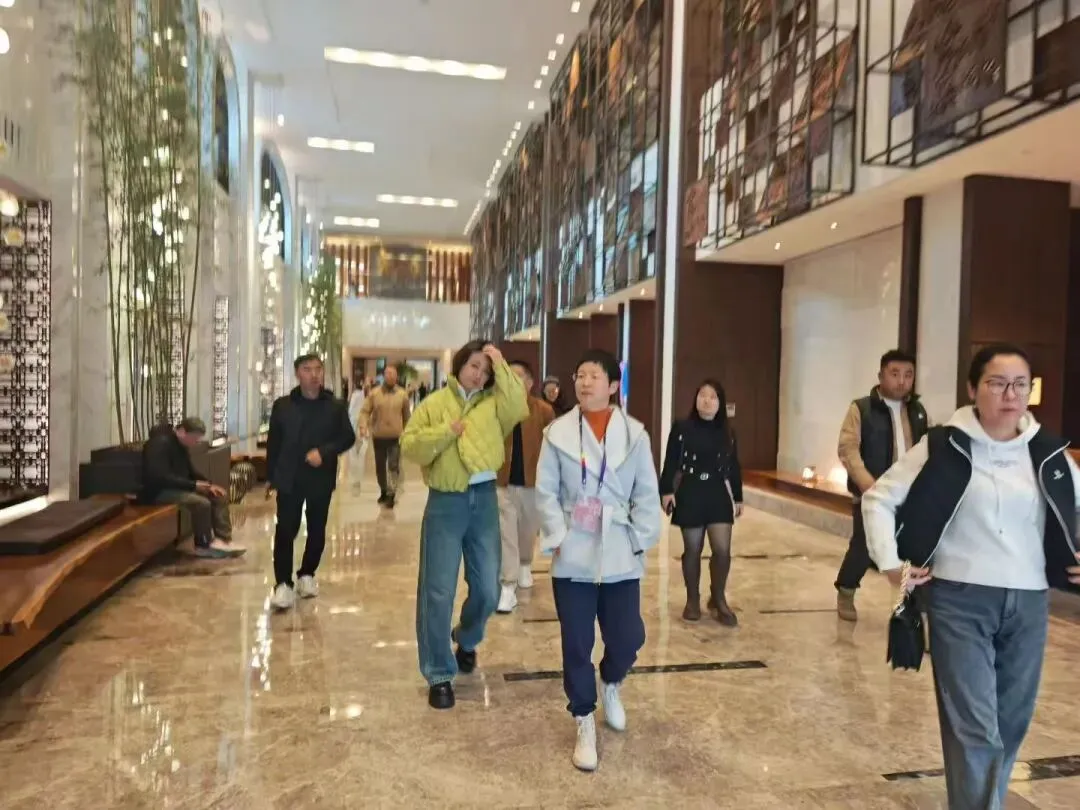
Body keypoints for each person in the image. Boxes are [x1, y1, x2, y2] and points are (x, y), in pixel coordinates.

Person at [862, 343, 1080, 810]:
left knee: (1012, 720)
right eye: (997, 383)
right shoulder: (944, 444)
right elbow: (878, 498)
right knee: (974, 726)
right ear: (972, 389)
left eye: (1020, 385)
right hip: (958, 599)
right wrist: (890, 563)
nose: (1010, 394)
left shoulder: (1048, 451)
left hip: (1029, 601)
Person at [535, 349, 662, 772]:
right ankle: (584, 717)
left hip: (620, 545)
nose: (585, 382)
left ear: (612, 385)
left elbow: (646, 492)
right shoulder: (556, 433)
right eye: (580, 375)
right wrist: (556, 536)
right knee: (576, 640)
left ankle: (611, 681)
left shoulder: (635, 435)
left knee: (628, 637)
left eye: (594, 375)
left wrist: (641, 538)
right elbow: (546, 491)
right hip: (574, 546)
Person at [400, 340, 529, 710]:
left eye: (485, 371)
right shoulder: (434, 404)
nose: (479, 375)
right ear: (459, 365)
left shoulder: (494, 405)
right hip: (446, 502)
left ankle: (467, 638)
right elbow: (410, 445)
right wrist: (446, 432)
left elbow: (518, 405)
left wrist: (500, 362)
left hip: (484, 500)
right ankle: (439, 673)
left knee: (488, 587)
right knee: (438, 590)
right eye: (474, 366)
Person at [834, 349, 928, 621]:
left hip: (909, 495)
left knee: (913, 548)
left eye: (908, 375)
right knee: (864, 547)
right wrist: (869, 486)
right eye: (895, 374)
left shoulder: (917, 411)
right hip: (871, 493)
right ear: (880, 375)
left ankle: (913, 603)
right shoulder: (861, 408)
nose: (902, 381)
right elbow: (848, 449)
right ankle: (846, 589)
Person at [267, 353, 356, 611]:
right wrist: (272, 477)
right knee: (286, 529)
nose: (314, 374)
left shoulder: (335, 406)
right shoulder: (283, 406)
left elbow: (347, 438)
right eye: (307, 369)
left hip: (320, 477)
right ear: (298, 374)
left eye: (318, 369)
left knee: (317, 529)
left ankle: (307, 574)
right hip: (289, 477)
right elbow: (274, 443)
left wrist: (324, 453)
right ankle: (283, 584)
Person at [659, 379, 743, 625]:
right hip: (690, 491)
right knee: (693, 549)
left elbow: (734, 466)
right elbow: (670, 461)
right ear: (695, 399)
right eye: (702, 395)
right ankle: (692, 600)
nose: (706, 400)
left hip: (716, 492)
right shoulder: (682, 428)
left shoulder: (728, 432)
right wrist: (666, 491)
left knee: (722, 550)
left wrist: (738, 496)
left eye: (712, 397)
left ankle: (718, 598)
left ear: (720, 403)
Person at [495, 360, 555, 614]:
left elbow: (552, 447)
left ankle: (524, 564)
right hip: (503, 481)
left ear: (530, 383)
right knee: (506, 532)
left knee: (528, 530)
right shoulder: (498, 409)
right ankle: (507, 586)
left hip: (532, 481)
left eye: (519, 376)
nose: (514, 381)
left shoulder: (543, 411)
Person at [142, 416, 244, 558]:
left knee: (218, 495)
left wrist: (209, 485)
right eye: (194, 438)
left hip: (177, 486)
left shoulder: (181, 446)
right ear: (182, 431)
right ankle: (203, 544)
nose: (196, 442)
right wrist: (193, 485)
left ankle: (224, 540)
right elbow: (160, 477)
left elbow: (190, 471)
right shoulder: (159, 444)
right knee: (201, 503)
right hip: (158, 491)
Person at [358, 365, 411, 508]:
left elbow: (407, 416)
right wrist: (363, 426)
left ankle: (391, 494)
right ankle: (383, 490)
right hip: (379, 436)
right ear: (384, 376)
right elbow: (365, 411)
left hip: (396, 437)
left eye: (393, 374)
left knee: (393, 465)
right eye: (388, 374)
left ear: (396, 376)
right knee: (380, 467)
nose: (390, 376)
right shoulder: (374, 393)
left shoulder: (402, 395)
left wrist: (409, 433)